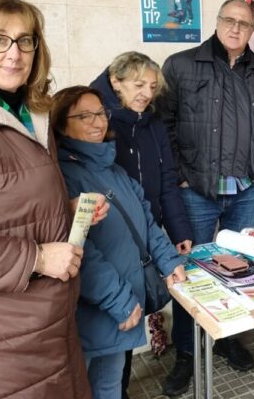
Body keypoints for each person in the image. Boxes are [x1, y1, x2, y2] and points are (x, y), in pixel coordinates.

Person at [0, 0, 92, 398]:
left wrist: (65, 212)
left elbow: (10, 208)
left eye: (25, 40)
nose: (14, 53)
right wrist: (37, 257)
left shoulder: (31, 115)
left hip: (51, 330)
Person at [159, 0, 254, 395]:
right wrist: (177, 177)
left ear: (252, 31)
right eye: (229, 21)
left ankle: (227, 337)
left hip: (245, 192)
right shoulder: (181, 65)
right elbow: (164, 125)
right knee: (187, 274)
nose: (235, 29)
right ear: (216, 23)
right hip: (196, 191)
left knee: (239, 269)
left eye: (244, 24)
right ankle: (185, 353)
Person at [52, 86, 186, 399]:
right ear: (60, 124)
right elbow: (81, 254)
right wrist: (119, 301)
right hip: (97, 309)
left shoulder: (112, 168)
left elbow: (146, 220)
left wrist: (169, 262)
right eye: (84, 116)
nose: (97, 122)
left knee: (110, 387)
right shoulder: (63, 176)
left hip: (122, 304)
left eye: (100, 113)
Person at [90, 51, 194, 399]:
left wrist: (178, 230)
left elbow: (166, 180)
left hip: (146, 231)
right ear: (115, 82)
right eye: (138, 85)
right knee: (113, 328)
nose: (147, 93)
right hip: (110, 237)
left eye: (152, 86)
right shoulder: (98, 122)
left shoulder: (151, 123)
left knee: (131, 319)